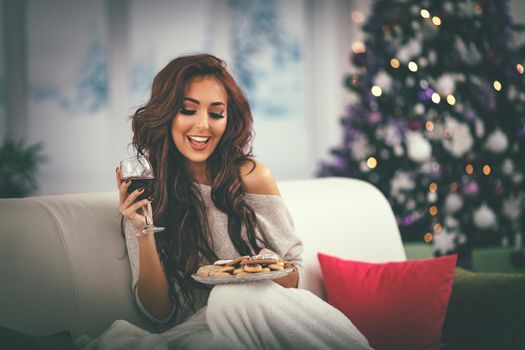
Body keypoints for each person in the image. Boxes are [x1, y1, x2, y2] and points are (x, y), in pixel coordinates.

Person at [78, 53, 372, 350]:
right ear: (167, 114)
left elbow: (295, 277)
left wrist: (269, 266)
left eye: (216, 113)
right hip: (201, 334)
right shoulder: (148, 193)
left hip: (269, 318)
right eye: (188, 110)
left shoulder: (252, 176)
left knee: (230, 295)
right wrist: (142, 230)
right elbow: (159, 313)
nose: (203, 125)